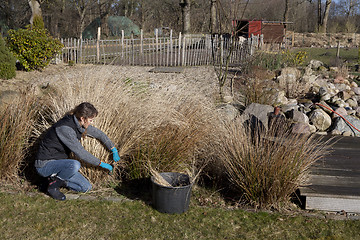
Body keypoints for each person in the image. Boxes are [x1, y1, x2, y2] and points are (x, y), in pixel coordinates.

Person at [35, 102, 120, 201]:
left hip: (60, 166)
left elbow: (99, 134)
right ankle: (53, 187)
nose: (92, 123)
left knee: (86, 187)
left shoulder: (80, 125)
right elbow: (81, 153)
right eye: (91, 120)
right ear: (83, 118)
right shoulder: (65, 128)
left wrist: (113, 149)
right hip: (45, 165)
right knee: (74, 164)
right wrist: (102, 164)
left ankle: (50, 182)